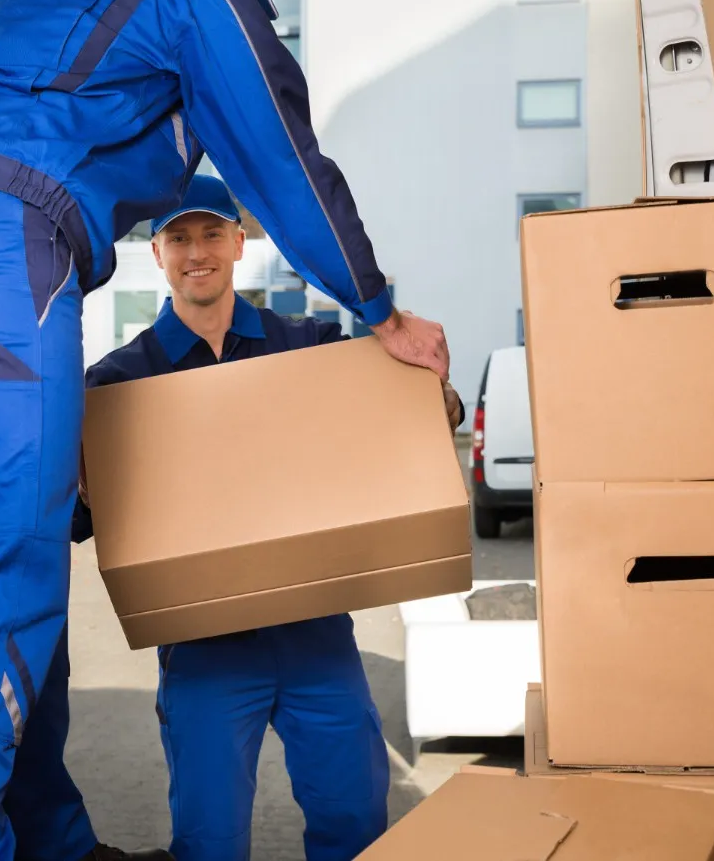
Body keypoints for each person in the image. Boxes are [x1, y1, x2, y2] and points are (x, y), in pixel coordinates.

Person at [0, 0, 451, 861]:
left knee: (22, 547)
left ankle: (49, 837)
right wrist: (378, 305)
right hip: (7, 249)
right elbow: (281, 155)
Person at [72, 176, 463, 861]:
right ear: (157, 251)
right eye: (181, 238)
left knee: (356, 821)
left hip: (317, 635)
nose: (198, 252)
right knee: (209, 841)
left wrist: (440, 401)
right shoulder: (117, 385)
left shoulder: (307, 345)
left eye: (212, 233)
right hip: (205, 648)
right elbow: (79, 518)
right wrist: (75, 478)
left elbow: (393, 416)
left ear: (239, 242)